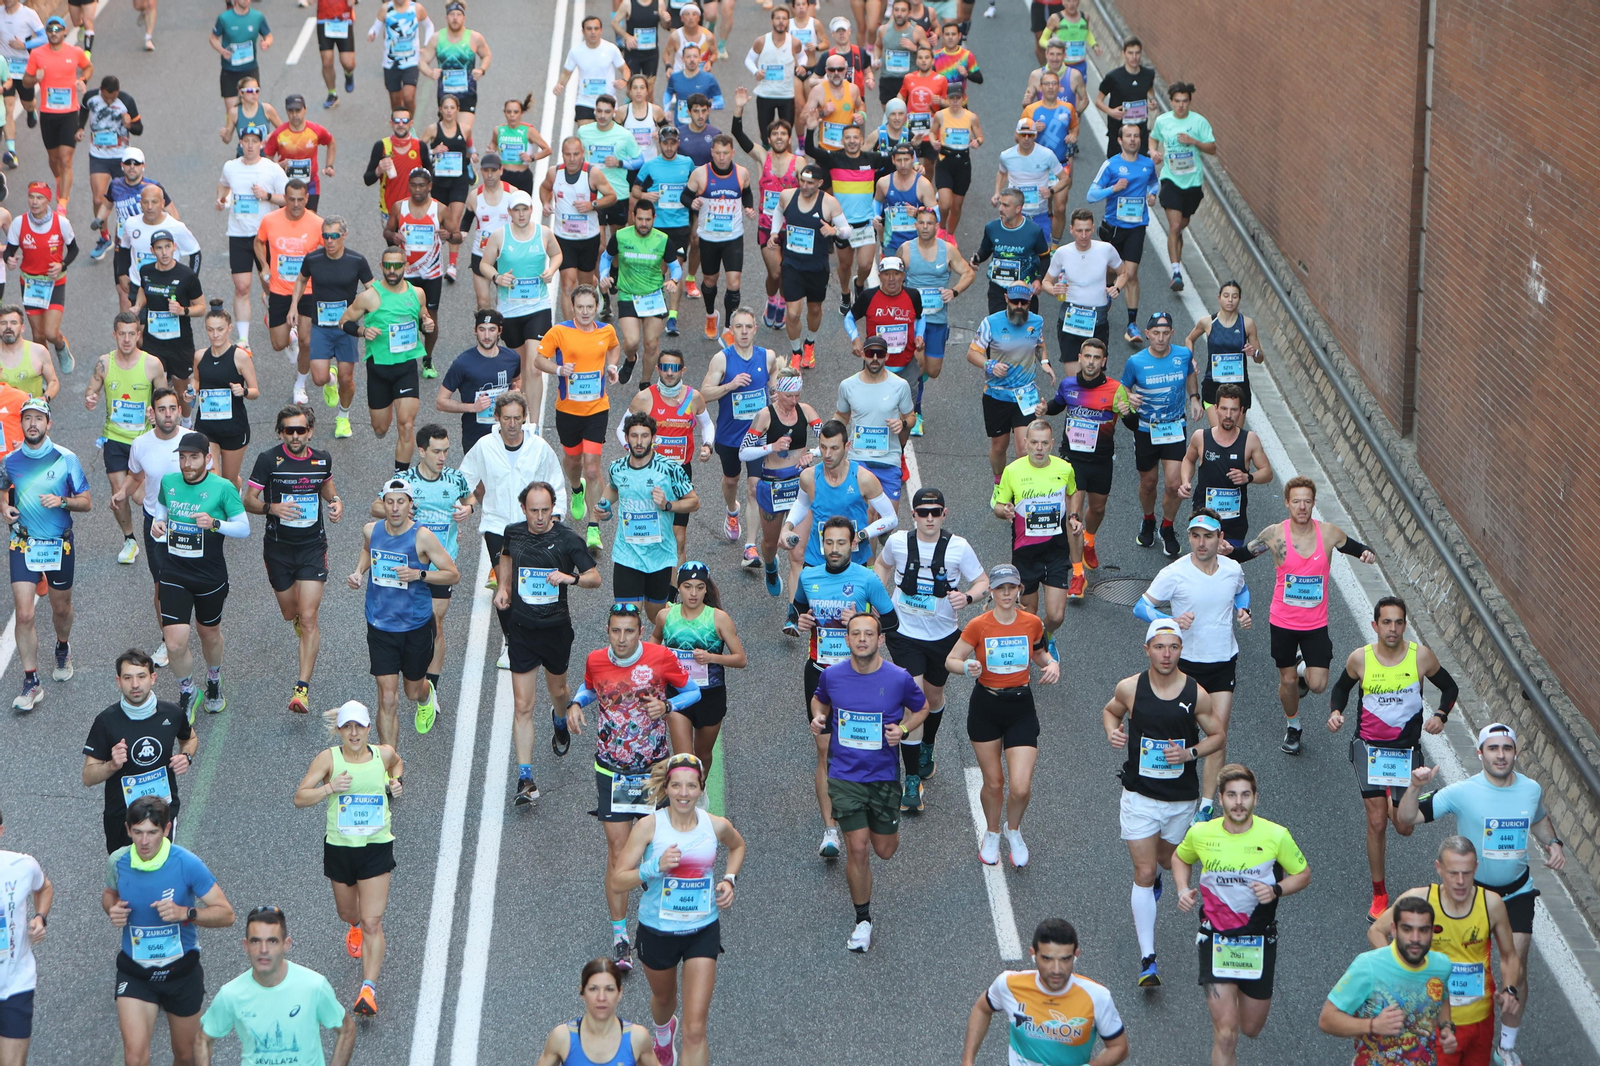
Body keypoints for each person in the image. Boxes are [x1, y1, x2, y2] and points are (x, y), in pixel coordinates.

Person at [1397, 722, 1562, 1066]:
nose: (1501, 755)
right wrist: (1414, 787)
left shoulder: (1530, 789)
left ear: (1515, 753)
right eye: (1493, 748)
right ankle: (1452, 1030)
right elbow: (1407, 818)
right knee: (1467, 967)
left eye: (1507, 748)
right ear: (1480, 753)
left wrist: (1554, 842)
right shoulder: (1462, 792)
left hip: (1517, 892)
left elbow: (1538, 818)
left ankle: (1506, 1046)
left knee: (1517, 968)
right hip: (1473, 896)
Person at [567, 603, 701, 971]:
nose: (622, 639)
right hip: (611, 771)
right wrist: (576, 703)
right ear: (607, 631)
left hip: (653, 772)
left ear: (640, 631)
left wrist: (667, 705)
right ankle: (621, 937)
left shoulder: (660, 658)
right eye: (616, 631)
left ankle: (663, 914)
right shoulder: (596, 660)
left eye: (629, 631)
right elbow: (590, 687)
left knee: (658, 848)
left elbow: (693, 692)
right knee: (617, 852)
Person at [1101, 617, 1226, 987]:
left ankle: (1157, 876)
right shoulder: (1129, 688)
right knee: (1142, 872)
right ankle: (1148, 959)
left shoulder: (1196, 693)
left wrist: (1189, 753)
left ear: (1181, 650)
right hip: (1139, 796)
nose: (1166, 654)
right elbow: (1110, 711)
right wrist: (1112, 732)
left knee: (1167, 862)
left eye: (1173, 647)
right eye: (1159, 647)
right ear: (1147, 650)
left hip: (1179, 799)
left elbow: (1217, 736)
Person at [1168, 765, 1310, 1066]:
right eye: (1231, 795)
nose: (1238, 802)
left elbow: (1303, 874)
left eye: (1245, 795)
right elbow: (1180, 857)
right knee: (1225, 1034)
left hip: (1258, 938)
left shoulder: (1276, 835)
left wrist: (1276, 890)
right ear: (1220, 799)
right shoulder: (1201, 833)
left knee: (1250, 1028)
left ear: (1255, 798)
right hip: (1215, 937)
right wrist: (1182, 889)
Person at [1327, 595, 1459, 919]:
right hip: (1369, 750)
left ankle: (1398, 797)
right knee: (1376, 822)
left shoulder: (1420, 657)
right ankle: (1379, 893)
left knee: (1403, 826)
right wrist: (1335, 712)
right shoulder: (1360, 658)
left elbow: (1450, 688)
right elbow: (1341, 689)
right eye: (1386, 622)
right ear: (1375, 625)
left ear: (1405, 625)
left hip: (1405, 751)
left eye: (1399, 622)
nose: (1393, 629)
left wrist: (1440, 715)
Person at [610, 753, 746, 1066]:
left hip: (702, 930)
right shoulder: (649, 827)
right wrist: (653, 867)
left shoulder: (715, 826)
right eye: (676, 786)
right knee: (664, 999)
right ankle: (662, 1034)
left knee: (695, 1029)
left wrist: (729, 880)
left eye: (691, 786)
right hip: (657, 931)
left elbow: (738, 845)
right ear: (667, 788)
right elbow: (617, 881)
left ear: (701, 789)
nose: (683, 793)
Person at [809, 612, 925, 953]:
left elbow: (922, 708)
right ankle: (863, 920)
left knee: (884, 850)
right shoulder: (832, 675)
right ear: (846, 640)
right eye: (856, 634)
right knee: (857, 848)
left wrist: (903, 729)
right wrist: (818, 716)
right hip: (845, 776)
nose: (862, 639)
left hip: (883, 777)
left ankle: (883, 833)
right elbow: (819, 699)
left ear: (880, 640)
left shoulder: (898, 678)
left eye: (869, 634)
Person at [1243, 476, 1377, 755]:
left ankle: (1302, 668)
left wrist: (1366, 553)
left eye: (1307, 501)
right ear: (1287, 503)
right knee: (1287, 681)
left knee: (1318, 685)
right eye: (1296, 501)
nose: (1302, 506)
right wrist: (1223, 551)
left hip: (1315, 624)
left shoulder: (1328, 533)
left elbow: (1356, 548)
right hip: (1282, 621)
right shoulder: (1274, 534)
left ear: (1313, 503)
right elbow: (1246, 552)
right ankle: (1293, 726)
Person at [790, 515, 898, 856]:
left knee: (859, 743)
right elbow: (796, 611)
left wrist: (864, 620)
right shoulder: (809, 576)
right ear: (821, 544)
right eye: (829, 543)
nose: (834, 549)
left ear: (853, 544)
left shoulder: (866, 579)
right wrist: (798, 621)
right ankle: (830, 831)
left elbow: (891, 621)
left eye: (841, 543)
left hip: (859, 676)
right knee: (825, 752)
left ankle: (864, 805)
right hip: (820, 673)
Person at [103, 796, 236, 1066]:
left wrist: (185, 913)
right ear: (128, 830)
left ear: (166, 829)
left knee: (186, 1057)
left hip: (181, 973)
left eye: (152, 832)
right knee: (134, 1058)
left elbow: (226, 914)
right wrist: (112, 908)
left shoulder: (187, 863)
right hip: (136, 972)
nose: (144, 841)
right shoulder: (118, 861)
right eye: (138, 832)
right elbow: (109, 894)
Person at [1134, 512, 1249, 822]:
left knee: (1217, 735)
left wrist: (1244, 610)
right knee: (1180, 736)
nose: (1201, 543)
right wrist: (1169, 620)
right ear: (1189, 537)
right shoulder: (1174, 573)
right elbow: (1141, 606)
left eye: (1208, 536)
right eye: (1195, 536)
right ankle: (1172, 794)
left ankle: (1206, 806)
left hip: (1222, 663)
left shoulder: (1232, 569)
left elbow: (1241, 591)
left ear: (1220, 538)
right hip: (1185, 667)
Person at [292, 700, 404, 1018]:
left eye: (359, 726)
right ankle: (353, 925)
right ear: (339, 731)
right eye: (347, 727)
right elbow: (300, 797)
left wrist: (396, 782)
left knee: (373, 921)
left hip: (376, 846)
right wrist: (330, 788)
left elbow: (397, 764)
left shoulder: (382, 754)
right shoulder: (329, 759)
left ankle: (368, 990)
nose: (354, 733)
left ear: (368, 728)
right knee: (347, 912)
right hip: (340, 848)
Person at [1369, 837, 1522, 1066]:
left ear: (1476, 868)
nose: (1460, 881)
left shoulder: (1491, 904)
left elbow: (1509, 956)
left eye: (1467, 873)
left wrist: (1509, 989)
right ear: (1438, 868)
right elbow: (1376, 931)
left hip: (1480, 1020)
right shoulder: (1419, 899)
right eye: (1453, 873)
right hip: (1433, 1022)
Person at [492, 480, 599, 804]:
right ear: (523, 509)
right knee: (523, 705)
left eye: (545, 510)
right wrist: (504, 587)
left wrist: (571, 578)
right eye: (534, 511)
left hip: (555, 631)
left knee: (559, 691)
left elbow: (594, 578)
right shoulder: (513, 533)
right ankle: (525, 778)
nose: (540, 517)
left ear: (553, 508)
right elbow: (506, 556)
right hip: (522, 630)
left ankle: (559, 718)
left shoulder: (567, 539)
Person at [875, 488, 985, 806]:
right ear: (914, 515)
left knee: (934, 697)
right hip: (904, 635)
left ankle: (928, 744)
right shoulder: (898, 542)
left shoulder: (958, 547)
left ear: (944, 514)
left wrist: (967, 597)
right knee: (915, 701)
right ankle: (912, 781)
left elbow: (982, 582)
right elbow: (881, 565)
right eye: (923, 513)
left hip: (942, 636)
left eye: (935, 512)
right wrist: (878, 601)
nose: (929, 518)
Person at [946, 563, 1057, 863]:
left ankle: (1013, 829)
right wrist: (966, 667)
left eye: (1011, 587)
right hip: (986, 706)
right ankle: (993, 832)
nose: (1006, 593)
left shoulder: (1032, 623)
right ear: (992, 592)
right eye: (1000, 588)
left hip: (1021, 707)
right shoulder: (978, 625)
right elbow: (951, 660)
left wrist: (1052, 664)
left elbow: (1039, 653)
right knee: (994, 782)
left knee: (1020, 787)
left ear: (1019, 589)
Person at [244, 405, 344, 716]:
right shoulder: (268, 460)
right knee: (291, 613)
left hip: (312, 547)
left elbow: (325, 485)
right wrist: (271, 508)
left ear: (310, 432)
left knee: (309, 616)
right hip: (278, 549)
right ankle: (299, 618)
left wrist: (335, 501)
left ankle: (301, 689)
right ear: (280, 433)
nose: (296, 435)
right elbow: (248, 500)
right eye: (289, 430)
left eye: (301, 430)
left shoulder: (322, 459)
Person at [350, 478, 458, 746]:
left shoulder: (422, 537)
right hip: (380, 624)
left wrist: (418, 574)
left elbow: (452, 574)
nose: (395, 508)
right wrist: (359, 572)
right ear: (383, 505)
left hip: (415, 626)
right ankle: (389, 763)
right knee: (387, 697)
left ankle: (426, 695)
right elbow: (367, 550)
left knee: (412, 690)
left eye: (401, 502)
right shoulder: (371, 530)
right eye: (390, 502)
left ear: (411, 504)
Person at [154, 430, 249, 718]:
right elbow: (161, 509)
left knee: (209, 634)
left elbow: (244, 528)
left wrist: (215, 524)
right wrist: (158, 523)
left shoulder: (223, 488)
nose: (187, 464)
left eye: (194, 457)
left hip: (209, 575)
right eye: (183, 458)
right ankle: (187, 691)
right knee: (174, 642)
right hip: (174, 572)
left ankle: (214, 679)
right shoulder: (169, 482)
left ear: (208, 459)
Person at [378, 425, 472, 714]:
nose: (443, 457)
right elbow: (376, 506)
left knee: (435, 623)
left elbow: (470, 497)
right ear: (421, 451)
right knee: (408, 624)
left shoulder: (455, 479)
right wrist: (398, 510)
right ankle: (408, 670)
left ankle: (430, 688)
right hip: (407, 565)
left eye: (446, 451)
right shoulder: (404, 481)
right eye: (436, 452)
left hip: (441, 565)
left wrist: (468, 508)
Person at [4, 398, 89, 710]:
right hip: (23, 544)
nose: (32, 424)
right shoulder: (10, 461)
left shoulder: (66, 458)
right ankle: (31, 682)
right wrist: (4, 507)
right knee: (25, 613)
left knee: (61, 609)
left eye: (38, 418)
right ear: (22, 423)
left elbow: (86, 501)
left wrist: (63, 502)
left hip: (58, 545)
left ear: (48, 423)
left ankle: (62, 646)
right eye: (27, 418)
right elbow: (3, 488)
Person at [196, 906, 356, 1066]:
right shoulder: (231, 994)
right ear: (245, 945)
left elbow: (347, 1030)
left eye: (272, 941)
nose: (263, 950)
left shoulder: (314, 986)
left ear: (286, 944)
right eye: (255, 941)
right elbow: (203, 1040)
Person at [961, 919, 1128, 1066]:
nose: (1056, 970)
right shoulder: (1009, 984)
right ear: (1033, 954)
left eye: (1065, 959)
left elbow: (1118, 1047)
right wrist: (968, 1060)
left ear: (1076, 955)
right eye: (1047, 959)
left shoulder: (1097, 996)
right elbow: (982, 1008)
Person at [1319, 896, 1458, 1062]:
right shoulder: (1368, 966)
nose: (1415, 938)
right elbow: (1327, 1019)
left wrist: (1446, 1028)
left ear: (1432, 932)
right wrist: (1373, 1025)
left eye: (1423, 930)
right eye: (1407, 929)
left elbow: (1442, 998)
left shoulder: (1441, 966)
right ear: (1394, 930)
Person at [82, 648, 195, 852]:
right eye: (128, 678)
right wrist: (111, 765)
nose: (135, 684)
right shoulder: (106, 721)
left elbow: (190, 739)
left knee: (160, 868)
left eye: (141, 676)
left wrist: (186, 756)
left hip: (162, 814)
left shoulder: (172, 713)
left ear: (153, 678)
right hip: (122, 818)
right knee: (124, 870)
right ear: (118, 681)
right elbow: (88, 777)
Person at [535, 286, 621, 551]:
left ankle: (593, 527)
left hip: (597, 409)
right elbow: (539, 360)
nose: (585, 312)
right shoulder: (560, 331)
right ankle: (576, 488)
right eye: (580, 307)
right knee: (573, 461)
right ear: (573, 307)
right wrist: (559, 369)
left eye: (589, 307)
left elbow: (614, 347)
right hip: (567, 411)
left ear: (597, 307)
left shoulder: (606, 330)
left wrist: (612, 366)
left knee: (592, 467)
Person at [338, 247, 435, 471]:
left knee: (406, 425)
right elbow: (343, 322)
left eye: (397, 266)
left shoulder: (417, 293)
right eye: (388, 266)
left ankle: (401, 477)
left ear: (405, 266)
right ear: (381, 266)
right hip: (379, 369)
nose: (392, 270)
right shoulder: (369, 296)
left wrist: (426, 325)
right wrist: (362, 331)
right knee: (380, 429)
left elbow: (423, 318)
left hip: (406, 367)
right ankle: (385, 412)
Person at [458, 389, 567, 590]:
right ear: (497, 417)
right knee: (506, 587)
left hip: (533, 527)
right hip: (496, 527)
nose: (512, 424)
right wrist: (461, 507)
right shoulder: (484, 446)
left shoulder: (539, 447)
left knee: (526, 587)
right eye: (507, 418)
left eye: (517, 418)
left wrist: (556, 517)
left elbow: (556, 484)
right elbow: (462, 479)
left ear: (525, 417)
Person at [599, 413, 698, 626]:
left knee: (656, 617)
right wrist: (603, 505)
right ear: (626, 437)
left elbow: (694, 502)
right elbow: (613, 488)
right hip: (627, 554)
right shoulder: (617, 468)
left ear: (653, 438)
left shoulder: (670, 469)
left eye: (644, 436)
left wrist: (668, 505)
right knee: (627, 619)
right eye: (634, 435)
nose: (639, 441)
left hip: (659, 556)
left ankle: (673, 636)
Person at [83, 315, 164, 566]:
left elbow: (164, 397)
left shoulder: (152, 364)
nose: (127, 339)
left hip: (144, 440)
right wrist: (91, 399)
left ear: (138, 335)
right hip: (115, 438)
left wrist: (155, 412)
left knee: (140, 497)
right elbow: (92, 389)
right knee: (119, 493)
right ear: (114, 335)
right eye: (122, 334)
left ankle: (163, 523)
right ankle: (130, 540)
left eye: (131, 334)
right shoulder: (104, 363)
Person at [623, 350, 714, 569]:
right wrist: (636, 451)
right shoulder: (644, 398)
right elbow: (621, 429)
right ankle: (648, 576)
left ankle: (673, 588)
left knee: (678, 539)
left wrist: (708, 445)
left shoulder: (693, 397)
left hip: (680, 474)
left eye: (675, 368)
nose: (670, 373)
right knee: (649, 534)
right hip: (650, 474)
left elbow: (708, 424)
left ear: (683, 370)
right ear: (658, 369)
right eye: (665, 368)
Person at [652, 563, 744, 773]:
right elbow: (654, 640)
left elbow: (740, 659)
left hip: (710, 695)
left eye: (699, 587)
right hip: (677, 693)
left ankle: (700, 787)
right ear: (679, 587)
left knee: (703, 755)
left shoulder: (719, 618)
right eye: (687, 586)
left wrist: (712, 657)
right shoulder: (666, 616)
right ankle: (687, 791)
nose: (693, 593)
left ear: (706, 589)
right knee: (684, 759)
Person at [994, 417, 1080, 641]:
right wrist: (1005, 511)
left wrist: (1073, 516)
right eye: (1034, 442)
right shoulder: (1012, 471)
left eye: (1044, 443)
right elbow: (998, 505)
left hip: (1056, 551)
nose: (1039, 448)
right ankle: (1034, 647)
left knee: (1056, 616)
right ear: (1025, 443)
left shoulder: (1065, 469)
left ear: (1052, 444)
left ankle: (1046, 637)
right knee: (1028, 614)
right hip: (1025, 553)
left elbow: (1073, 492)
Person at [701, 309, 779, 554]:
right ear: (731, 330)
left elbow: (774, 374)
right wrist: (730, 385)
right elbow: (704, 394)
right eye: (738, 327)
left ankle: (750, 545)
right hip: (730, 436)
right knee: (731, 480)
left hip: (757, 436)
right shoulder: (722, 359)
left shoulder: (767, 356)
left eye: (748, 327)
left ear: (755, 329)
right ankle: (732, 510)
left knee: (754, 487)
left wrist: (775, 390)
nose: (744, 332)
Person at [1121, 311, 1198, 557]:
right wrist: (1129, 397)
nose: (1161, 338)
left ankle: (1167, 526)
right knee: (1149, 483)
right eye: (1156, 333)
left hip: (1174, 427)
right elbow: (1123, 387)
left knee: (1175, 484)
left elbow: (1190, 373)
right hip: (1146, 429)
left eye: (1165, 333)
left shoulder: (1183, 355)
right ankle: (1148, 520)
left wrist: (1194, 397)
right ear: (1147, 334)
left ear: (1172, 333)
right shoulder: (1136, 361)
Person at [477, 189, 559, 419]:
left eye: (525, 209)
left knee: (535, 367)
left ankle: (534, 423)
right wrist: (497, 277)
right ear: (509, 212)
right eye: (517, 210)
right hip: (510, 310)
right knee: (521, 370)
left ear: (532, 210)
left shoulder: (544, 233)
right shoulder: (499, 236)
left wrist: (551, 270)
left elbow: (557, 254)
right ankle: (520, 415)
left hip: (538, 307)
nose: (521, 214)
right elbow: (484, 264)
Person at [738, 366, 818, 595]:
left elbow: (830, 441)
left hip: (799, 485)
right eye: (789, 396)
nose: (793, 401)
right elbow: (743, 452)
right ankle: (771, 567)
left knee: (798, 550)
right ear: (778, 392)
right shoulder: (765, 415)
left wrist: (813, 454)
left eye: (797, 395)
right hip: (772, 485)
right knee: (770, 543)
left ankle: (797, 604)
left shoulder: (806, 411)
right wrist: (771, 447)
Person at [119, 388, 184, 663]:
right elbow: (136, 476)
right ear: (153, 413)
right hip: (155, 522)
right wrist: (122, 492)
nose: (167, 414)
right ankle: (168, 640)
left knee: (192, 582)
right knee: (161, 585)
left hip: (189, 523)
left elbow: (210, 476)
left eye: (172, 408)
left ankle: (193, 627)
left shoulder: (192, 440)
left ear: (179, 410)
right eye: (161, 409)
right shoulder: (141, 444)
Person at [894, 207, 974, 428]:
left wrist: (954, 291)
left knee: (932, 370)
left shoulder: (947, 250)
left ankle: (914, 385)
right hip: (912, 319)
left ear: (937, 226)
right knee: (917, 364)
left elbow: (968, 273)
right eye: (921, 223)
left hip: (937, 319)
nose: (925, 227)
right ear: (916, 225)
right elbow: (892, 276)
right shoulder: (906, 249)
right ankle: (915, 413)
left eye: (930, 223)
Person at [295, 216, 372, 436]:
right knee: (318, 379)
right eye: (325, 236)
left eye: (334, 236)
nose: (329, 241)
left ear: (344, 236)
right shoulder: (313, 259)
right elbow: (301, 280)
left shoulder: (357, 261)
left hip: (346, 327)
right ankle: (331, 379)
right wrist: (293, 307)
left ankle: (343, 417)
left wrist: (378, 313)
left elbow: (372, 288)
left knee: (347, 379)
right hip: (321, 326)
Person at [770, 164, 849, 368]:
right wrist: (774, 232)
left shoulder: (829, 203)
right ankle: (796, 352)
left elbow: (847, 230)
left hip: (816, 267)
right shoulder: (787, 196)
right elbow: (778, 211)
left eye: (810, 183)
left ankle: (810, 343)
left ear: (820, 183)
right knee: (793, 313)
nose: (804, 186)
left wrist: (834, 231)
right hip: (792, 265)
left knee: (814, 309)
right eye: (802, 181)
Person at [1178, 385, 1271, 557]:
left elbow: (1267, 472)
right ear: (1216, 408)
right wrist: (1185, 482)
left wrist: (1248, 477)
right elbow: (1189, 460)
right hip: (1204, 518)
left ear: (1241, 411)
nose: (1228, 415)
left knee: (1228, 565)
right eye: (1224, 409)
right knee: (1205, 563)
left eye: (1234, 410)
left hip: (1234, 523)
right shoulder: (1201, 437)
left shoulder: (1250, 440)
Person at [1087, 124, 1158, 344]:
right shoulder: (1111, 165)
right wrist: (1113, 189)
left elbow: (1154, 184)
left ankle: (1132, 324)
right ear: (1120, 140)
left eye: (1136, 136)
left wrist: (1152, 194)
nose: (1133, 139)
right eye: (1128, 136)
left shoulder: (1147, 164)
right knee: (1111, 271)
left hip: (1137, 227)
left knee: (1131, 273)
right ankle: (1106, 297)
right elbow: (1091, 195)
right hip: (1114, 227)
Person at [216, 130, 289, 345]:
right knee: (242, 287)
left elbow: (289, 198)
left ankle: (277, 314)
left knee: (271, 285)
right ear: (240, 142)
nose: (250, 145)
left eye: (254, 142)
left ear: (261, 144)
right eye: (246, 141)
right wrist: (220, 199)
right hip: (238, 234)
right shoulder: (230, 166)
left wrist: (267, 196)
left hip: (265, 235)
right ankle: (244, 339)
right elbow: (223, 183)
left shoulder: (271, 168)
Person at [255, 180, 324, 403]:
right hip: (279, 290)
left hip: (308, 290)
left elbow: (331, 249)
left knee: (307, 342)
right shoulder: (270, 220)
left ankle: (300, 385)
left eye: (300, 199)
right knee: (278, 344)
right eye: (291, 199)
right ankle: (289, 335)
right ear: (284, 198)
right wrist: (264, 265)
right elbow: (258, 242)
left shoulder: (317, 223)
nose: (296, 204)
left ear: (307, 199)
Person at [684, 134, 755, 344]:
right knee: (709, 281)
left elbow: (747, 193)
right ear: (712, 153)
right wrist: (692, 203)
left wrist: (748, 207)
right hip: (709, 237)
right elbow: (684, 196)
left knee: (734, 283)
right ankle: (710, 315)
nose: (722, 158)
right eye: (717, 153)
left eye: (725, 153)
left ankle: (728, 328)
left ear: (733, 153)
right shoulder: (700, 174)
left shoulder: (742, 173)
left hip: (733, 237)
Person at [835, 333, 916, 510]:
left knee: (889, 519)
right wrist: (830, 433)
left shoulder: (900, 386)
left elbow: (911, 417)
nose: (874, 358)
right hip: (858, 458)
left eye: (879, 354)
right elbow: (842, 415)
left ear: (887, 356)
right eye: (871, 353)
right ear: (863, 354)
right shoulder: (848, 385)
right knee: (864, 514)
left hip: (889, 459)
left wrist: (902, 424)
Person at [1148, 82, 1216, 292]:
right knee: (1175, 226)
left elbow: (1212, 148)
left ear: (1189, 102)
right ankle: (1176, 272)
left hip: (1193, 183)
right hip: (1171, 179)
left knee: (1180, 226)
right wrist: (1153, 152)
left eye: (1184, 101)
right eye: (1177, 101)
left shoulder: (1199, 122)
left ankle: (1176, 254)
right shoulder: (1163, 121)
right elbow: (1153, 139)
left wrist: (1194, 142)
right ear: (1171, 101)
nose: (1180, 105)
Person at [1042, 209, 1130, 372]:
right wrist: (1054, 289)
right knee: (1073, 378)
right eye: (1079, 230)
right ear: (1071, 230)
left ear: (1093, 228)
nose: (1083, 235)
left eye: (1087, 230)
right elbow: (1046, 281)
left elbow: (1124, 273)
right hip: (1070, 317)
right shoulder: (1062, 253)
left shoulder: (1106, 249)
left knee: (1094, 374)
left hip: (1097, 319)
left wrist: (1117, 287)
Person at [383, 168, 451, 377]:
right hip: (407, 272)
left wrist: (448, 235)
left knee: (430, 319)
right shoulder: (399, 207)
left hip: (431, 273)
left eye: (422, 185)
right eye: (413, 185)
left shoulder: (440, 209)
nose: (418, 189)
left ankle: (428, 359)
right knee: (405, 315)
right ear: (409, 186)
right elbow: (387, 231)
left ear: (430, 186)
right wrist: (393, 237)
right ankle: (405, 356)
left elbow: (456, 235)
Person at [541, 139, 616, 323]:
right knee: (568, 284)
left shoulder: (592, 173)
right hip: (563, 237)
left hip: (588, 238)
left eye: (576, 154)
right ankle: (570, 329)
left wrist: (592, 204)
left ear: (583, 153)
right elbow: (545, 188)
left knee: (585, 286)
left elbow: (611, 196)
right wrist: (545, 202)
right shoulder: (554, 172)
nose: (572, 159)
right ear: (562, 154)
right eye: (568, 154)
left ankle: (590, 304)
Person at [130, 229, 206, 410]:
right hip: (153, 342)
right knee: (159, 391)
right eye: (159, 248)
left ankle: (186, 422)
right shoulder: (146, 271)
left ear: (174, 247)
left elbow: (202, 308)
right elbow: (143, 289)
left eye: (167, 247)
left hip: (179, 343)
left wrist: (182, 310)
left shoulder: (187, 275)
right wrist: (138, 306)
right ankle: (161, 423)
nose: (164, 252)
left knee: (181, 391)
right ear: (152, 250)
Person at [0, 802, 52, 1066]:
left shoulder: (22, 866)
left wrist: (40, 917)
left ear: (0, 831)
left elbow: (44, 887)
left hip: (16, 983)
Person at [5, 183, 79, 369]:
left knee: (51, 333)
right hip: (30, 284)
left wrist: (62, 265)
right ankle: (45, 370)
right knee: (38, 335)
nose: (34, 202)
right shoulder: (19, 223)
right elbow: (9, 251)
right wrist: (9, 259)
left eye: (40, 198)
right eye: (31, 197)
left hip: (54, 283)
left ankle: (61, 347)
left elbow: (74, 250)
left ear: (48, 200)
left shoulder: (61, 223)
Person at [844, 257, 926, 420]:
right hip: (875, 365)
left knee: (905, 417)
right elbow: (849, 318)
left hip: (906, 365)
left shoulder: (913, 295)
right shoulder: (868, 296)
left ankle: (905, 433)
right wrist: (855, 339)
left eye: (896, 274)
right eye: (887, 274)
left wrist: (919, 335)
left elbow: (921, 316)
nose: (891, 278)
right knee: (873, 412)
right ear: (879, 276)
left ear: (903, 276)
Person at [534, 959, 659, 1066]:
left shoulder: (637, 1038)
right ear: (582, 993)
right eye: (593, 989)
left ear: (619, 993)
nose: (601, 997)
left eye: (609, 989)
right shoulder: (562, 1038)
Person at [603, 200, 675, 385]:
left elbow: (675, 266)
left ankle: (645, 383)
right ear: (633, 217)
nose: (644, 224)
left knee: (651, 344)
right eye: (640, 219)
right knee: (632, 342)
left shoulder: (662, 239)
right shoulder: (621, 236)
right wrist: (604, 275)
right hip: (628, 295)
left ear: (654, 218)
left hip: (653, 297)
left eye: (648, 220)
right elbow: (606, 257)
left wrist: (673, 280)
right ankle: (630, 359)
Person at [22, 17, 91, 208]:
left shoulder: (75, 52)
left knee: (65, 159)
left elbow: (88, 67)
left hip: (69, 114)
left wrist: (83, 80)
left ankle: (62, 204)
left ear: (64, 31)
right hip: (48, 114)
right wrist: (35, 78)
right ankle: (59, 179)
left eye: (57, 29)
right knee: (53, 159)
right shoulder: (37, 54)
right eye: (50, 29)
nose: (54, 33)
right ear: (46, 32)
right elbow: (26, 81)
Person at [190, 303, 260, 490]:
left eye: (220, 329)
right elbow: (196, 380)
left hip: (233, 428)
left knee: (229, 482)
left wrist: (243, 391)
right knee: (212, 478)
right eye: (210, 330)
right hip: (206, 426)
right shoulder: (200, 356)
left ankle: (235, 494)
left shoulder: (240, 357)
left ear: (229, 328)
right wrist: (192, 390)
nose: (215, 334)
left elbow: (255, 391)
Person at [1184, 281, 1266, 426]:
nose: (1230, 300)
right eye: (1226, 296)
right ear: (1219, 298)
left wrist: (1254, 352)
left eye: (1234, 296)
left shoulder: (1247, 324)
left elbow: (1259, 358)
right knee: (1218, 432)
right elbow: (1189, 339)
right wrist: (1191, 359)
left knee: (1236, 434)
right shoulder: (1208, 322)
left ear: (1239, 299)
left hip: (1239, 386)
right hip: (1213, 384)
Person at [79, 76, 144, 257]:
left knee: (127, 200)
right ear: (100, 89)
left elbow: (139, 129)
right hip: (98, 155)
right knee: (98, 200)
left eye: (113, 97)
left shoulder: (127, 101)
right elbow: (83, 111)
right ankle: (105, 237)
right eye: (106, 97)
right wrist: (80, 128)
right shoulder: (90, 97)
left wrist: (129, 124)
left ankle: (132, 236)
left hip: (121, 157)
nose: (109, 101)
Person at [421, 96, 473, 283]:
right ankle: (432, 258)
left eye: (452, 107)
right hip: (439, 181)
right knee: (438, 222)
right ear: (440, 109)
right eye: (446, 107)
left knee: (454, 220)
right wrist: (433, 151)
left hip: (459, 180)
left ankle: (452, 265)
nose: (449, 111)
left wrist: (474, 155)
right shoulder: (433, 129)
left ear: (458, 109)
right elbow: (418, 150)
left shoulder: (465, 128)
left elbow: (469, 146)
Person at [972, 190, 1049, 315]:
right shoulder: (992, 228)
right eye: (1000, 204)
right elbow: (986, 249)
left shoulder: (1034, 231)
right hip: (998, 288)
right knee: (999, 324)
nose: (1000, 209)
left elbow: (1045, 257)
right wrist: (977, 259)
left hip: (1024, 289)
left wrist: (1038, 279)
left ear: (1018, 208)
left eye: (1006, 205)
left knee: (1025, 325)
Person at [420, 1, 490, 137]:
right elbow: (422, 61)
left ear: (464, 18)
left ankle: (467, 150)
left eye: (459, 14)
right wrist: (430, 72)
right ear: (446, 17)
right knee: (448, 135)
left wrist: (481, 69)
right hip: (445, 95)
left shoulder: (474, 37)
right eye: (452, 14)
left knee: (462, 133)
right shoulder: (437, 38)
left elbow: (486, 55)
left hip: (467, 93)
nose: (455, 18)